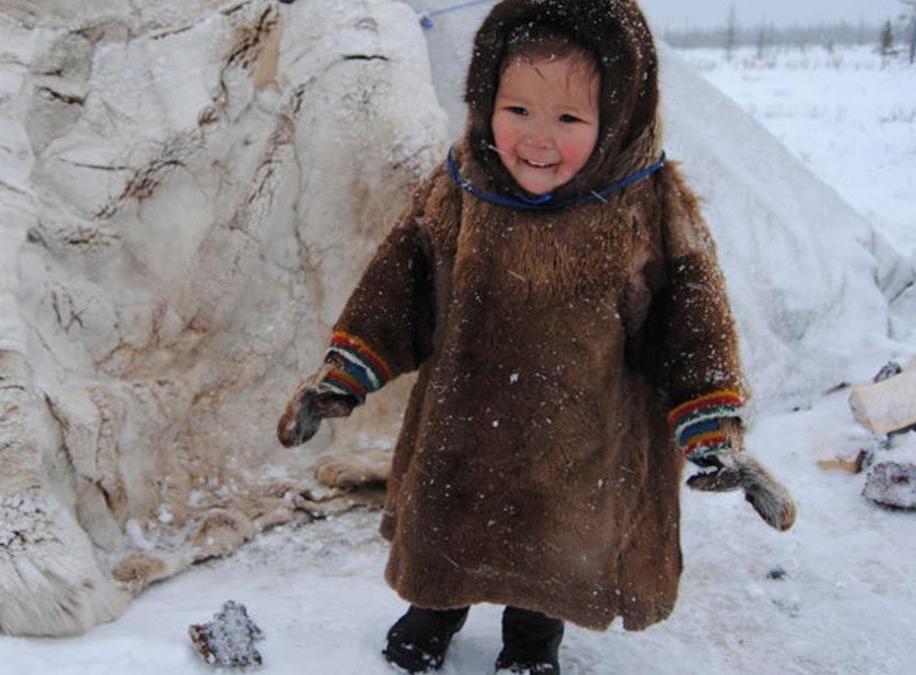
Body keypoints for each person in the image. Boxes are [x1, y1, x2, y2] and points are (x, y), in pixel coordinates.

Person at [276, 0, 796, 672]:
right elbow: (399, 286)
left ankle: (531, 637)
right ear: (485, 97)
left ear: (619, 117)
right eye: (517, 110)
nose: (537, 139)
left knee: (551, 546)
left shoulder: (645, 203)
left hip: (578, 438)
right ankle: (435, 606)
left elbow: (690, 325)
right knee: (445, 526)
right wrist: (343, 375)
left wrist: (712, 432)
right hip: (462, 425)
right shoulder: (463, 187)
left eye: (570, 118)